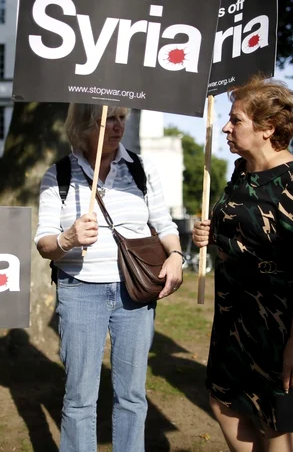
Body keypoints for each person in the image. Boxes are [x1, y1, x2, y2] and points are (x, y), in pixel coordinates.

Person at [34, 103, 184, 452]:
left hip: (134, 291)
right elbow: (44, 243)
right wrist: (67, 239)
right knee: (80, 396)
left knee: (132, 394)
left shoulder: (141, 169)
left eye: (121, 119)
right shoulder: (59, 175)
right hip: (79, 291)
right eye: (107, 120)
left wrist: (176, 254)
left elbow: (163, 224)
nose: (117, 127)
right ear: (85, 125)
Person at [193, 76, 293, 452]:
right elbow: (239, 228)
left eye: (235, 119)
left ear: (267, 128)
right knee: (224, 402)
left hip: (278, 325)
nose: (225, 126)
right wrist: (210, 234)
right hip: (234, 316)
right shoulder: (242, 173)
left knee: (278, 426)